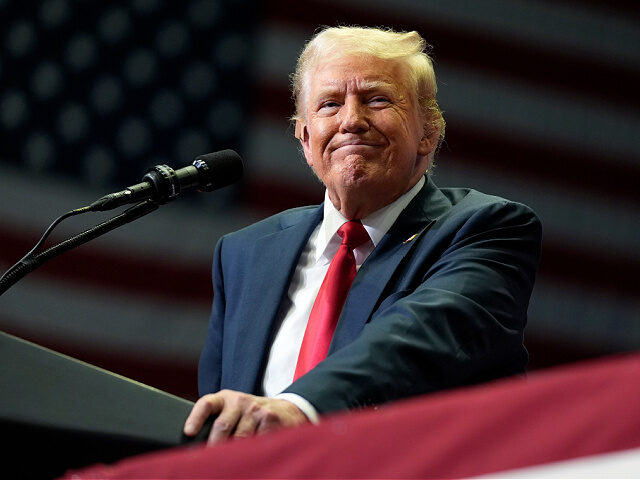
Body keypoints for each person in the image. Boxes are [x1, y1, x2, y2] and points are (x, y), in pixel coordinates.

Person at [184, 25, 542, 444]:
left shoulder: (485, 229)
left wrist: (300, 407)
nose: (351, 121)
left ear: (428, 130)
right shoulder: (245, 253)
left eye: (377, 99)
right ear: (304, 137)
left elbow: (417, 338)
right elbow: (217, 414)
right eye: (330, 104)